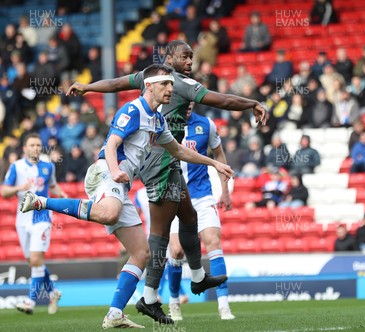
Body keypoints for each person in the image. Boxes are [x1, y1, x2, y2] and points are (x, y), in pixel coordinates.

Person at [66, 40, 266, 323]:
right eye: (184, 56)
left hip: (167, 155)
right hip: (159, 160)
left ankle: (196, 277)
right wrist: (252, 103)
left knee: (188, 215)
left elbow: (115, 84)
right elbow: (222, 100)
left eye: (192, 57)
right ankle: (149, 298)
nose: (189, 61)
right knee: (160, 232)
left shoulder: (150, 78)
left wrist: (88, 87)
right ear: (169, 57)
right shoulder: (179, 84)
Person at [19, 66, 234, 327]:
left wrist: (214, 163)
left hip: (121, 183)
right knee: (109, 212)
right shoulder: (132, 110)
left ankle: (114, 313)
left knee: (141, 252)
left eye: (171, 84)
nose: (171, 89)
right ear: (150, 86)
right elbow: (111, 145)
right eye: (166, 84)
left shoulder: (158, 120)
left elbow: (178, 150)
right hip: (104, 173)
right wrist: (115, 170)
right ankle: (41, 201)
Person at [160, 104, 235, 321]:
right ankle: (174, 302)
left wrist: (225, 191)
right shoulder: (164, 123)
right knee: (175, 252)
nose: (189, 103)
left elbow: (219, 155)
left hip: (202, 196)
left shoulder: (206, 125)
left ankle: (223, 305)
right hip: (174, 196)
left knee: (213, 242)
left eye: (192, 99)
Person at [1, 134, 68, 315]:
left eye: (38, 145)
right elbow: (5, 191)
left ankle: (30, 301)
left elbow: (52, 186)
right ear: (25, 148)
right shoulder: (17, 167)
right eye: (32, 145)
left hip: (42, 217)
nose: (36, 148)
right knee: (32, 261)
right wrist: (19, 188)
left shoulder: (48, 166)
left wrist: (62, 195)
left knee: (36, 259)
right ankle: (53, 292)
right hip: (22, 219)